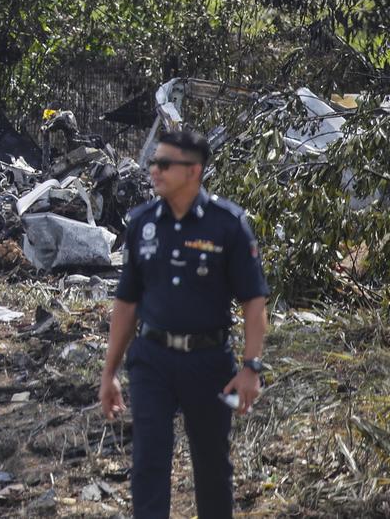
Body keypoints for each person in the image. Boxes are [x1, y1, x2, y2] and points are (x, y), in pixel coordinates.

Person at [99, 129, 268, 519]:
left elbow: (254, 301)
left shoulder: (228, 224)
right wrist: (110, 372)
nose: (153, 170)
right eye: (153, 162)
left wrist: (251, 367)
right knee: (148, 463)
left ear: (193, 171)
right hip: (152, 360)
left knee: (211, 467)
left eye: (163, 164)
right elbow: (126, 303)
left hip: (209, 363)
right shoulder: (141, 223)